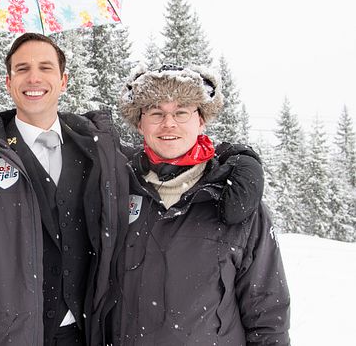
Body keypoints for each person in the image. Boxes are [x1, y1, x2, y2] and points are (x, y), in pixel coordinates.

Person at [0, 33, 129, 346]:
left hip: (85, 336)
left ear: (64, 81)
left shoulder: (98, 152)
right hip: (9, 338)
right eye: (22, 69)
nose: (34, 77)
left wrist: (231, 160)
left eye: (45, 67)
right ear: (8, 82)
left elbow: (159, 174)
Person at [111, 64, 290, 345]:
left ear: (201, 120)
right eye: (156, 112)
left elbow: (267, 313)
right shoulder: (116, 189)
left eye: (181, 112)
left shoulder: (235, 197)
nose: (169, 123)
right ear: (139, 122)